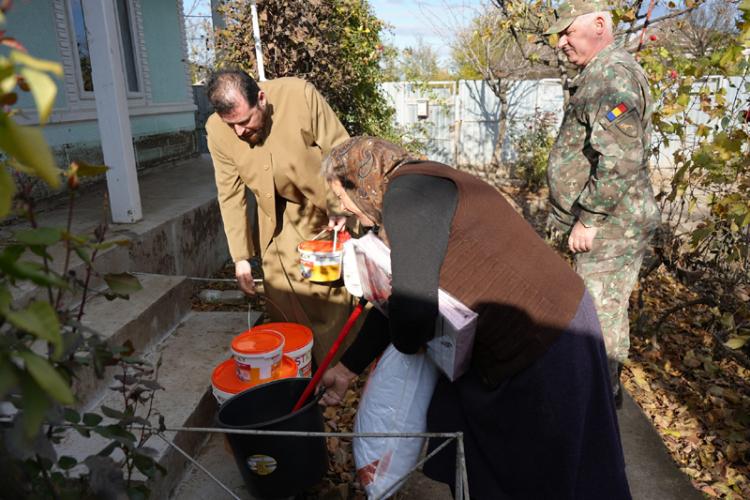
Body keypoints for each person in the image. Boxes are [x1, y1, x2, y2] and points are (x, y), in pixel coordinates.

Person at [319, 136, 631, 499]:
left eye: (341, 196)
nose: (346, 208)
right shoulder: (416, 183)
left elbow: (411, 314)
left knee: (555, 470)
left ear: (358, 181)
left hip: (547, 335)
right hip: (538, 324)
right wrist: (347, 369)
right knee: (465, 431)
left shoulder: (408, 197)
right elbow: (400, 299)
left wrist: (399, 323)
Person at [545, 0, 660, 406]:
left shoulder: (612, 76)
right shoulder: (598, 73)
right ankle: (594, 398)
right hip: (608, 220)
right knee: (594, 310)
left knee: (598, 315)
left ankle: (599, 405)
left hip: (611, 224)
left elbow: (621, 158)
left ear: (598, 24)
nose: (561, 42)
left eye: (567, 32)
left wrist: (590, 218)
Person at [205, 69, 354, 363]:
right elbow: (230, 194)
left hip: (323, 210)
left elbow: (340, 150)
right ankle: (298, 364)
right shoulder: (217, 130)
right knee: (280, 292)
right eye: (231, 125)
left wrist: (340, 204)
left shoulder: (300, 95)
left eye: (245, 121)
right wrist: (241, 258)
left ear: (261, 99)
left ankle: (340, 363)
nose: (239, 132)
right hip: (274, 219)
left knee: (328, 292)